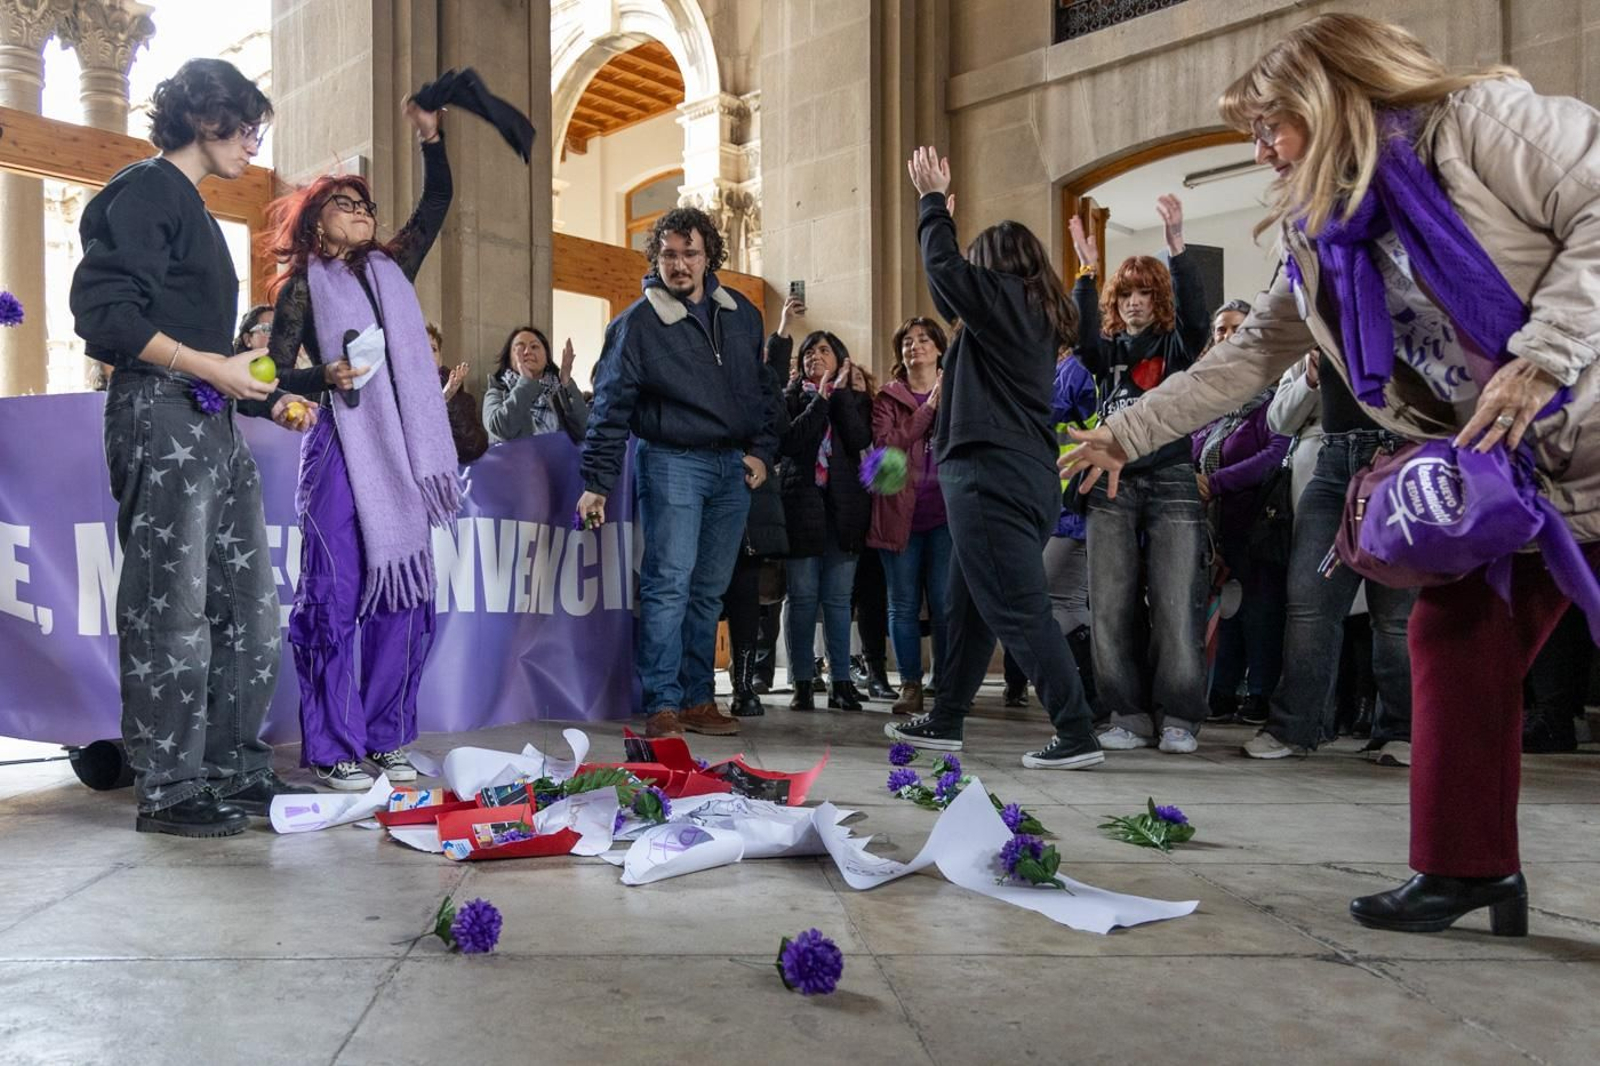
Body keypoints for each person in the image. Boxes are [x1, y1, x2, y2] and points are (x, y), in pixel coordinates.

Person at [1063, 13, 1600, 935]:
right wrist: (1128, 431)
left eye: (1272, 124)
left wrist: (1546, 352)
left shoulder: (1479, 125)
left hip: (1585, 421)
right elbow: (1241, 362)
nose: (1261, 148)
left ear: (1333, 96)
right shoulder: (1317, 242)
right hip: (1513, 476)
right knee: (1457, 635)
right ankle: (1469, 869)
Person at [69, 59, 317, 835]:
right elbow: (105, 317)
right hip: (162, 410)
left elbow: (209, 346)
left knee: (248, 606)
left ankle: (233, 767)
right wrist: (215, 368)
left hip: (208, 415)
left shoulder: (197, 210)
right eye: (247, 127)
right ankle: (170, 786)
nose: (253, 143)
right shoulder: (144, 191)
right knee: (169, 608)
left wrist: (264, 394)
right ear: (206, 119)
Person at [261, 97, 460, 789]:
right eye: (344, 203)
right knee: (335, 595)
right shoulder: (299, 289)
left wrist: (432, 141)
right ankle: (335, 745)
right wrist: (323, 375)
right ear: (317, 219)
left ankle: (386, 737)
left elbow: (436, 203)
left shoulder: (389, 271)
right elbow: (264, 370)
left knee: (404, 597)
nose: (361, 211)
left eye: (365, 203)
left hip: (401, 455)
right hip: (339, 453)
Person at [886, 148, 1102, 771]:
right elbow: (949, 279)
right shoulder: (1024, 312)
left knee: (1017, 607)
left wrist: (931, 205)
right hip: (1020, 475)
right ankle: (948, 715)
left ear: (997, 268)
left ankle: (1076, 728)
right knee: (972, 604)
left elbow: (947, 274)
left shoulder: (1007, 301)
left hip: (989, 474)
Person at [577, 207, 778, 739]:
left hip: (731, 467)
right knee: (668, 585)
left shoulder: (742, 314)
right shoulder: (636, 325)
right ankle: (662, 702)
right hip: (671, 462)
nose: (679, 264)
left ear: (709, 254)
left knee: (709, 591)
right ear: (656, 258)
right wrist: (596, 482)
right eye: (668, 253)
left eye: (690, 252)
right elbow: (610, 407)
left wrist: (761, 451)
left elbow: (762, 390)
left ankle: (696, 699)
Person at [1068, 197, 1211, 754]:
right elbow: (1082, 339)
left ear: (1159, 299)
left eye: (1144, 293)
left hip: (1172, 475)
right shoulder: (1107, 352)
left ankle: (1178, 715)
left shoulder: (1176, 346)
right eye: (1125, 295)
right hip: (1112, 481)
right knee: (1109, 602)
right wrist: (1086, 271)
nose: (1133, 305)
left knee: (1177, 600)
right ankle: (1127, 714)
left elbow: (1199, 320)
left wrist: (1177, 247)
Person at [1251, 348, 1415, 763]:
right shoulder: (1326, 311)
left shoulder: (1417, 301)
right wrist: (1309, 371)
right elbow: (1277, 422)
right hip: (1334, 459)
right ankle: (1294, 728)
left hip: (1400, 457)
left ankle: (1403, 729)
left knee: (1395, 615)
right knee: (1309, 602)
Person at [1191, 309, 1292, 729]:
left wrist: (1214, 482)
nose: (1227, 335)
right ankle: (1221, 692)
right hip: (1211, 523)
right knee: (1225, 609)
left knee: (1260, 609)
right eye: (1220, 329)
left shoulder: (1273, 395)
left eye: (1237, 327)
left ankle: (1259, 693)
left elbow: (1273, 454)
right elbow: (1192, 443)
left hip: (1257, 518)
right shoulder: (1210, 398)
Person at [774, 329, 874, 711]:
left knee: (837, 600)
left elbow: (859, 437)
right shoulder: (791, 398)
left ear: (842, 360)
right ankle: (802, 680)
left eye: (824, 350)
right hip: (801, 508)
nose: (815, 356)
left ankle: (842, 683)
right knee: (801, 598)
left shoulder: (857, 400)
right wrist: (820, 398)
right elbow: (794, 442)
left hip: (844, 511)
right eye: (808, 352)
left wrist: (842, 394)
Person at [869, 316, 951, 717]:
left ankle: (949, 683)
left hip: (947, 514)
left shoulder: (957, 389)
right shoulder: (888, 397)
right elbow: (888, 445)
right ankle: (910, 685)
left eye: (923, 339)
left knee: (944, 602)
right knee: (901, 604)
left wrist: (940, 402)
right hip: (900, 513)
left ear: (939, 348)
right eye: (906, 341)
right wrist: (927, 411)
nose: (913, 346)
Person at [720, 299, 796, 718]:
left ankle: (744, 683)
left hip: (748, 494)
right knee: (696, 591)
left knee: (745, 594)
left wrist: (758, 454)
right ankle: (691, 682)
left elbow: (777, 426)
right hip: (702, 491)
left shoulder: (761, 375)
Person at [483, 327, 589, 444]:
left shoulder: (558, 393)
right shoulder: (497, 392)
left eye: (534, 347)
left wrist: (566, 382)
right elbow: (501, 430)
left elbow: (585, 431)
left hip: (558, 462)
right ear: (509, 359)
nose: (527, 351)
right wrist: (526, 382)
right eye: (520, 347)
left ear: (547, 358)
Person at [427, 322, 489, 465]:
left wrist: (447, 399)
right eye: (420, 347)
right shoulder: (393, 394)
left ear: (440, 357)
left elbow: (474, 448)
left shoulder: (462, 399)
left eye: (433, 349)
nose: (427, 353)